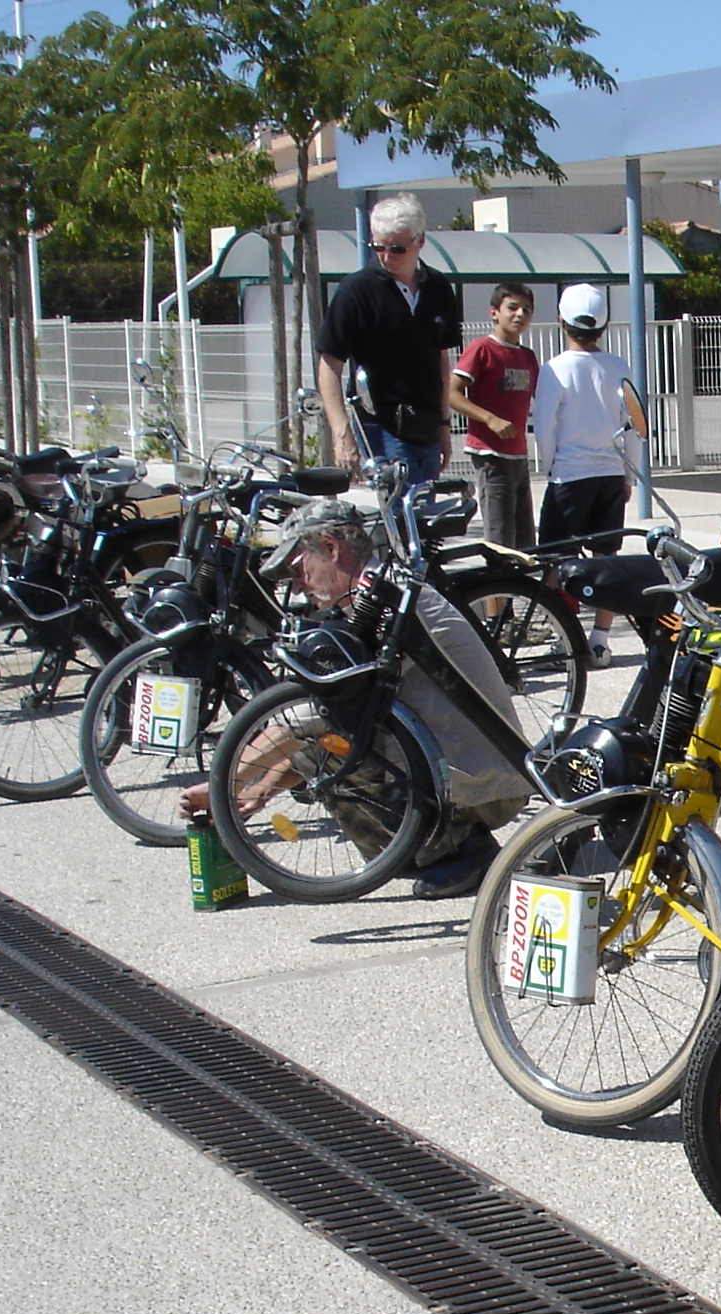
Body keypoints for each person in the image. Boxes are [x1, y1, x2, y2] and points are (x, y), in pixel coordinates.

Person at [182, 500, 528, 898]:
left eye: (299, 569)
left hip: (484, 779)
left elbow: (313, 716)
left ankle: (464, 851)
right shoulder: (378, 594)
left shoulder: (390, 607)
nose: (297, 586)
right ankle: (424, 850)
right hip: (465, 770)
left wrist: (222, 783)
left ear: (331, 548)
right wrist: (254, 792)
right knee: (332, 745)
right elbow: (316, 726)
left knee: (342, 749)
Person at [532, 281, 647, 663]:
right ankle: (600, 641)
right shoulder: (618, 366)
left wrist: (549, 466)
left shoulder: (553, 369)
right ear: (605, 324)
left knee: (555, 562)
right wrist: (629, 477)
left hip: (569, 475)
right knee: (605, 559)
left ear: (560, 321)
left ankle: (564, 637)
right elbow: (633, 424)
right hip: (611, 474)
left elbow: (544, 427)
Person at [316, 192, 464, 484]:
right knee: (397, 515)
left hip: (426, 425)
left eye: (396, 248)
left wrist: (444, 428)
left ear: (419, 241)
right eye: (378, 247)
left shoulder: (438, 288)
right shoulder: (356, 290)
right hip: (381, 425)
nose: (386, 256)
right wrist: (342, 433)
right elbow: (329, 365)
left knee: (425, 518)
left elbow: (441, 362)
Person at [448, 283, 539, 553]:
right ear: (494, 312)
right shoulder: (481, 349)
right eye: (512, 307)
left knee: (524, 546)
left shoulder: (527, 356)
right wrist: (490, 419)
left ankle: (520, 596)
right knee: (499, 544)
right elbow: (451, 393)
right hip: (490, 456)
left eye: (527, 310)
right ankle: (495, 596)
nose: (519, 315)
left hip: (519, 456)